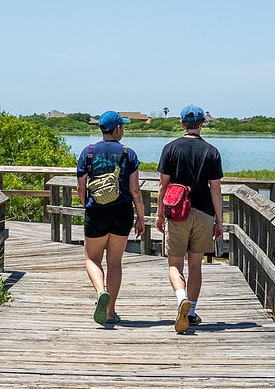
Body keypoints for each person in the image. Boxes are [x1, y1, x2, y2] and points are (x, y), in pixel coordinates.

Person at [155, 105, 224, 333]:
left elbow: (163, 186)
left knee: (175, 264)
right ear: (203, 123)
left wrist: (159, 214)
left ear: (182, 123)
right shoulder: (212, 151)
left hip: (177, 213)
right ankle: (191, 312)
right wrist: (219, 221)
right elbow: (216, 190)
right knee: (195, 265)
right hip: (204, 213)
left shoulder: (170, 148)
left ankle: (181, 298)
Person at [77, 110, 145, 325]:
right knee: (114, 261)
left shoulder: (87, 152)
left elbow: (80, 186)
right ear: (117, 129)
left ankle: (100, 292)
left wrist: (86, 204)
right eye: (123, 127)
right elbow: (135, 191)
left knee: (92, 258)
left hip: (96, 211)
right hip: (122, 211)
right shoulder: (129, 154)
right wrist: (141, 218)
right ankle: (109, 311)